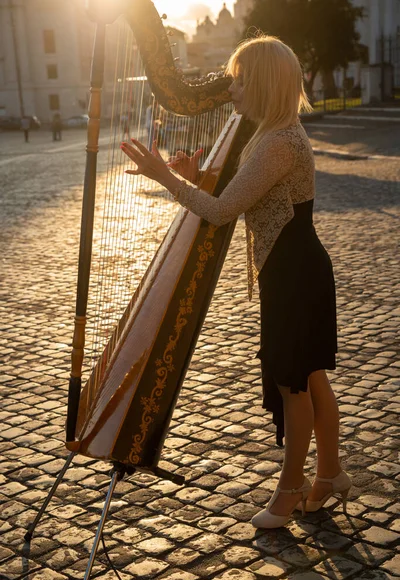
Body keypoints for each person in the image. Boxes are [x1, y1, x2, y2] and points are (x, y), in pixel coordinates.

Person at [120, 35, 351, 529]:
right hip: (295, 267)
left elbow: (223, 211)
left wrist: (167, 178)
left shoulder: (276, 143)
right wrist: (197, 174)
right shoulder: (277, 135)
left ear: (264, 84)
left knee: (294, 385)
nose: (231, 89)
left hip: (293, 274)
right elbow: (246, 191)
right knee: (311, 377)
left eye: (241, 79)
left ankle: (290, 491)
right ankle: (329, 473)